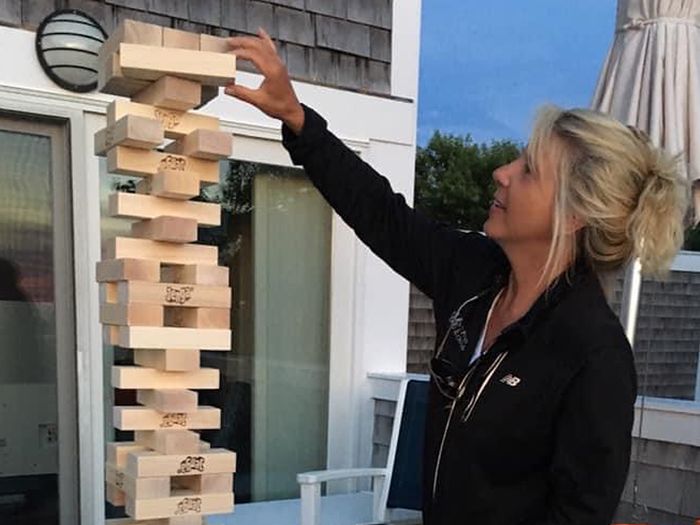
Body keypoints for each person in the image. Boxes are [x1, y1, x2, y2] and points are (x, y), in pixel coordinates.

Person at [224, 29, 688, 525]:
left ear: (573, 215)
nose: (501, 173)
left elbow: (578, 516)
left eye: (528, 170)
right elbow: (383, 215)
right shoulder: (475, 275)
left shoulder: (594, 356)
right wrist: (297, 119)